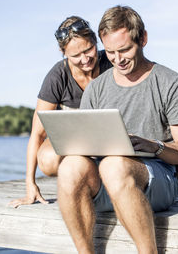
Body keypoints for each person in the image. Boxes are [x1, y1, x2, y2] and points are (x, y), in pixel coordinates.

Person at [57, 6, 178, 253]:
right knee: (69, 166)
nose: (117, 59)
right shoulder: (96, 89)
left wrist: (155, 146)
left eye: (125, 50)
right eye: (110, 52)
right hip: (107, 180)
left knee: (114, 165)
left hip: (158, 178)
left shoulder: (171, 83)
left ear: (143, 38)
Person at [9, 16, 112, 208]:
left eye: (89, 49)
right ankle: (86, 173)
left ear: (96, 42)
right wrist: (30, 183)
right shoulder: (57, 76)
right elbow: (37, 134)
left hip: (109, 141)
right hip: (74, 145)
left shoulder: (112, 63)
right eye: (75, 55)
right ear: (63, 53)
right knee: (47, 159)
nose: (85, 59)